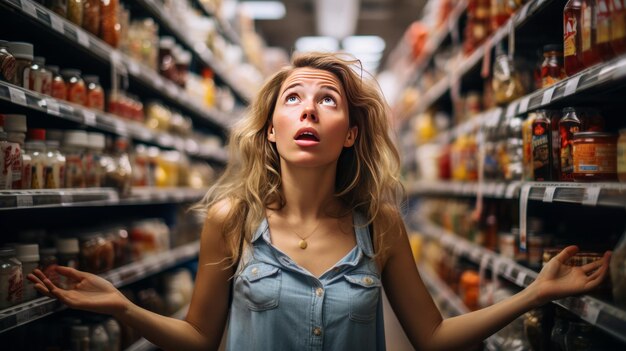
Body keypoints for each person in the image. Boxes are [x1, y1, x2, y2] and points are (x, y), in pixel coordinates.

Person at [29, 52, 611, 351]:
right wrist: (123, 308)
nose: (309, 109)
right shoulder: (233, 221)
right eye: (293, 99)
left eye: (328, 100)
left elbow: (432, 339)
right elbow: (200, 340)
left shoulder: (377, 224)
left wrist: (535, 293)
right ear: (272, 130)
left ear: (351, 133)